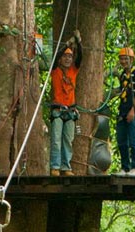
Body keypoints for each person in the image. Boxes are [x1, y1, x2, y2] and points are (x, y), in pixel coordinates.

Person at [49, 31, 82, 177]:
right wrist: (68, 44)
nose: (68, 59)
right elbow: (56, 56)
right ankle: (55, 166)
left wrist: (78, 43)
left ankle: (66, 167)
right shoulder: (55, 71)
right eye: (65, 56)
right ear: (61, 58)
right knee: (56, 140)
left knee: (68, 140)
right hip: (58, 110)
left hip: (70, 111)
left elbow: (80, 58)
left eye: (70, 56)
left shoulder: (73, 71)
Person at [114, 47, 135, 176]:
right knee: (121, 140)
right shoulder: (122, 75)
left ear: (131, 59)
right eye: (122, 59)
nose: (123, 61)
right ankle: (125, 167)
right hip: (123, 110)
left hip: (132, 110)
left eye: (126, 58)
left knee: (133, 140)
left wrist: (133, 110)